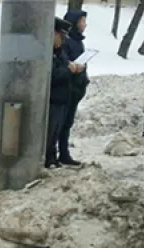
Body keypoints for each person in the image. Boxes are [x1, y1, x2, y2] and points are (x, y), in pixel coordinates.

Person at [46, 17, 82, 169]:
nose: (63, 40)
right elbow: (52, 75)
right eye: (61, 36)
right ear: (53, 34)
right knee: (50, 131)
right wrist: (69, 70)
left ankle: (53, 157)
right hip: (53, 98)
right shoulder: (48, 53)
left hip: (62, 97)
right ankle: (48, 157)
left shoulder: (59, 52)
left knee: (57, 130)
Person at [59, 9, 89, 167]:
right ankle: (59, 154)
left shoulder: (78, 41)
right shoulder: (67, 41)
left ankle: (64, 153)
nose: (85, 24)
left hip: (77, 87)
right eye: (82, 21)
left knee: (67, 122)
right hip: (68, 87)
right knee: (62, 123)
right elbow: (65, 63)